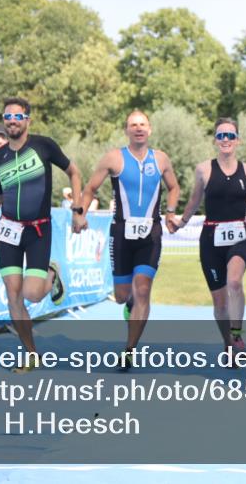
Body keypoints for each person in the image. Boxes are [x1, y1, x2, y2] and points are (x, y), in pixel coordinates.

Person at [0, 97, 83, 371]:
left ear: (28, 119)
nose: (12, 121)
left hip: (38, 230)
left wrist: (78, 209)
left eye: (18, 117)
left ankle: (51, 273)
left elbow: (74, 173)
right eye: (8, 116)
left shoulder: (43, 146)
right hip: (8, 232)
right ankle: (30, 355)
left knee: (33, 294)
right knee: (13, 295)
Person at [78, 110, 181, 371]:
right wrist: (79, 214)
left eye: (142, 124)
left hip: (151, 232)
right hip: (122, 233)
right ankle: (131, 302)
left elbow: (174, 187)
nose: (138, 129)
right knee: (123, 296)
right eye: (133, 125)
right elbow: (90, 189)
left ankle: (129, 350)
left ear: (150, 129)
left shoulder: (161, 159)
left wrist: (169, 212)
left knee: (144, 287)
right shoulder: (114, 158)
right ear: (126, 130)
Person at [175, 117, 246, 355]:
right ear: (215, 140)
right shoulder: (203, 169)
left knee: (235, 282)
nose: (225, 139)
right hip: (210, 239)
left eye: (230, 135)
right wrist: (181, 222)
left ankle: (237, 335)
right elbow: (195, 201)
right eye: (221, 135)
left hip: (238, 235)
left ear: (238, 140)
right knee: (219, 304)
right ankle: (228, 345)